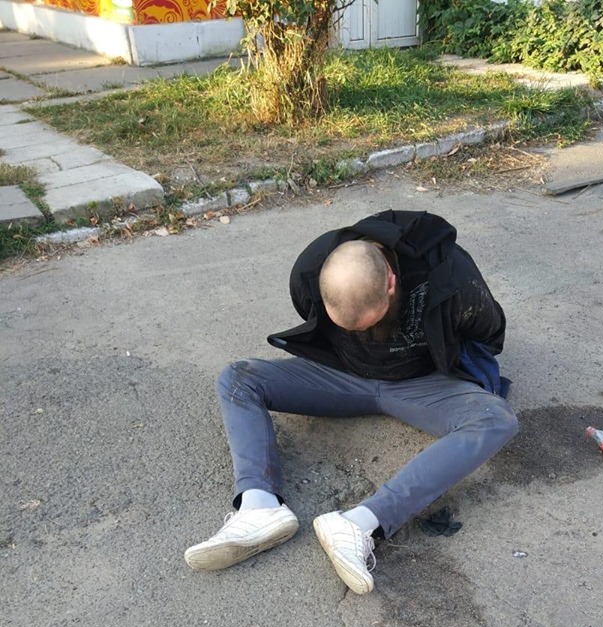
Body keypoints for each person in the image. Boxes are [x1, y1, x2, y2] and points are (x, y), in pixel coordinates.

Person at [185, 209, 518, 594]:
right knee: (238, 378)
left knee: (496, 419)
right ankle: (259, 507)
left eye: (373, 323)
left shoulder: (451, 276)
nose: (370, 334)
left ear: (391, 282)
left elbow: (488, 334)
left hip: (420, 383)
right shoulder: (309, 269)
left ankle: (358, 524)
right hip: (342, 375)